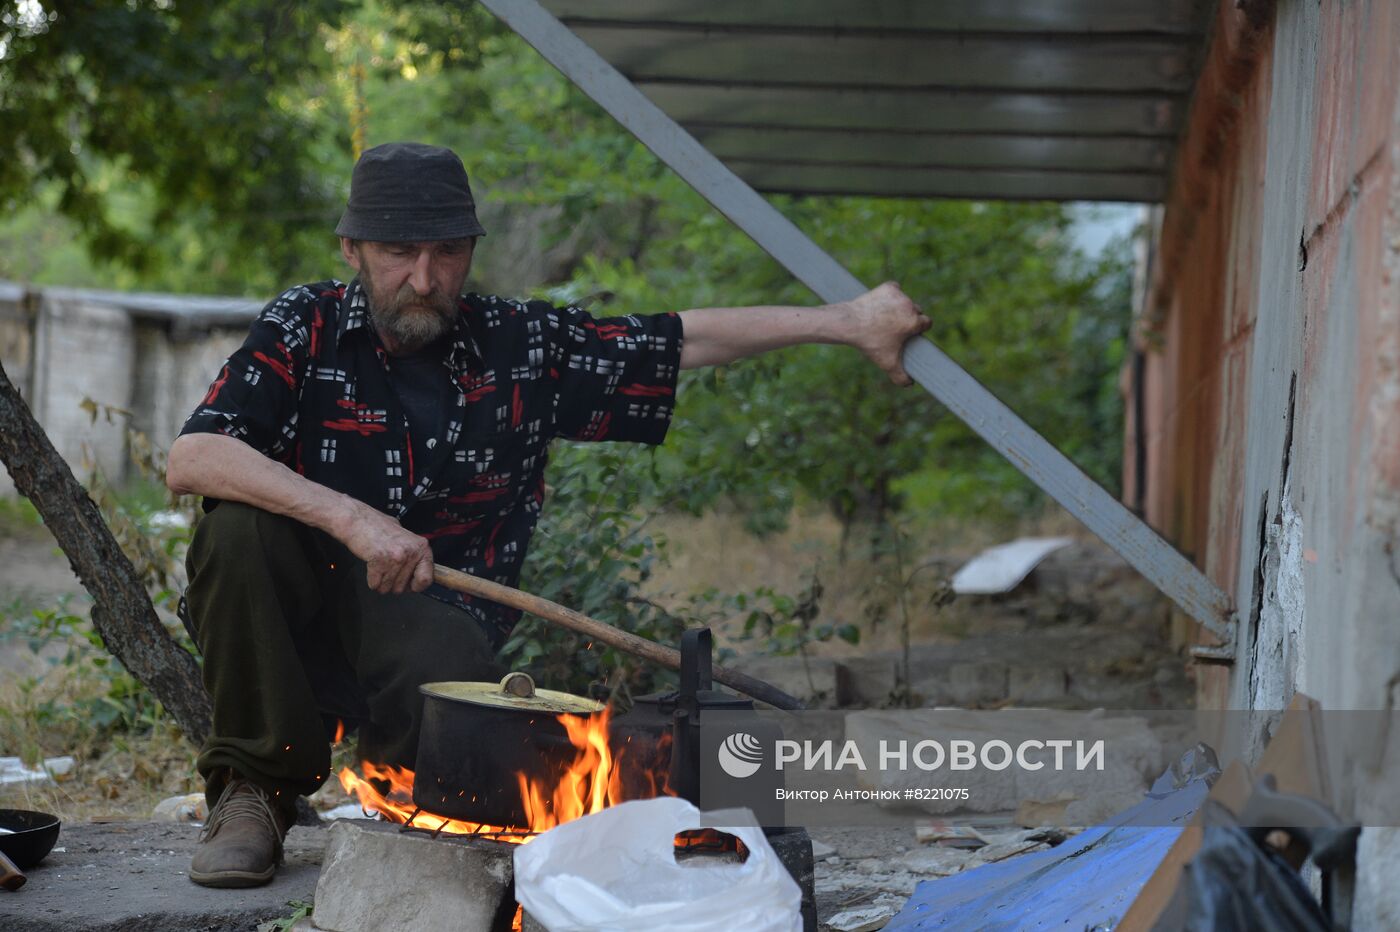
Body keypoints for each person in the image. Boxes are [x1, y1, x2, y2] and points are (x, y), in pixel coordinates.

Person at [165, 141, 929, 887]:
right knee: (236, 526)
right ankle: (254, 793)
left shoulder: (520, 345)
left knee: (454, 779)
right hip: (293, 615)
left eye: (448, 253)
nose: (424, 279)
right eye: (398, 252)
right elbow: (193, 456)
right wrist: (352, 519)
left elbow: (681, 340)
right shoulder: (306, 325)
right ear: (352, 248)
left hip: (435, 631)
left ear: (471, 251)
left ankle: (407, 808)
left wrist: (846, 321)